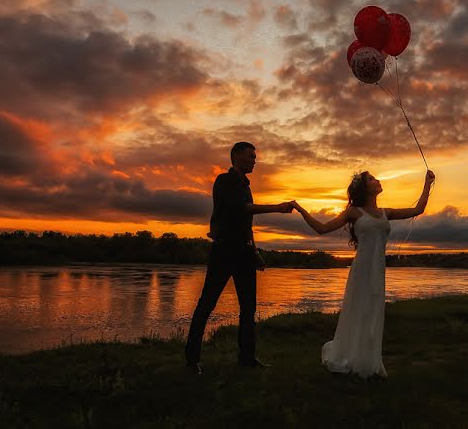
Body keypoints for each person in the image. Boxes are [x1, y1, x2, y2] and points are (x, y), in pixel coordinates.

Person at [291, 169, 435, 379]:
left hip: (377, 269)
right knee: (358, 310)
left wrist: (427, 184)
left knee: (374, 312)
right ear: (364, 187)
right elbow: (322, 228)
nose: (377, 180)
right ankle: (350, 357)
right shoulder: (354, 212)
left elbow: (418, 209)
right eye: (371, 179)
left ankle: (368, 361)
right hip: (360, 270)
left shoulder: (387, 212)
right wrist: (299, 208)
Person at [184, 142, 294, 374]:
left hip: (243, 253)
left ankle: (247, 359)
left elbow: (246, 225)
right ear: (236, 156)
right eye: (250, 156)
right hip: (223, 251)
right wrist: (277, 207)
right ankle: (192, 361)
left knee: (248, 308)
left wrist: (255, 252)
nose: (254, 160)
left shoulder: (246, 184)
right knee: (206, 305)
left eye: (255, 157)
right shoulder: (224, 181)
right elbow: (241, 209)